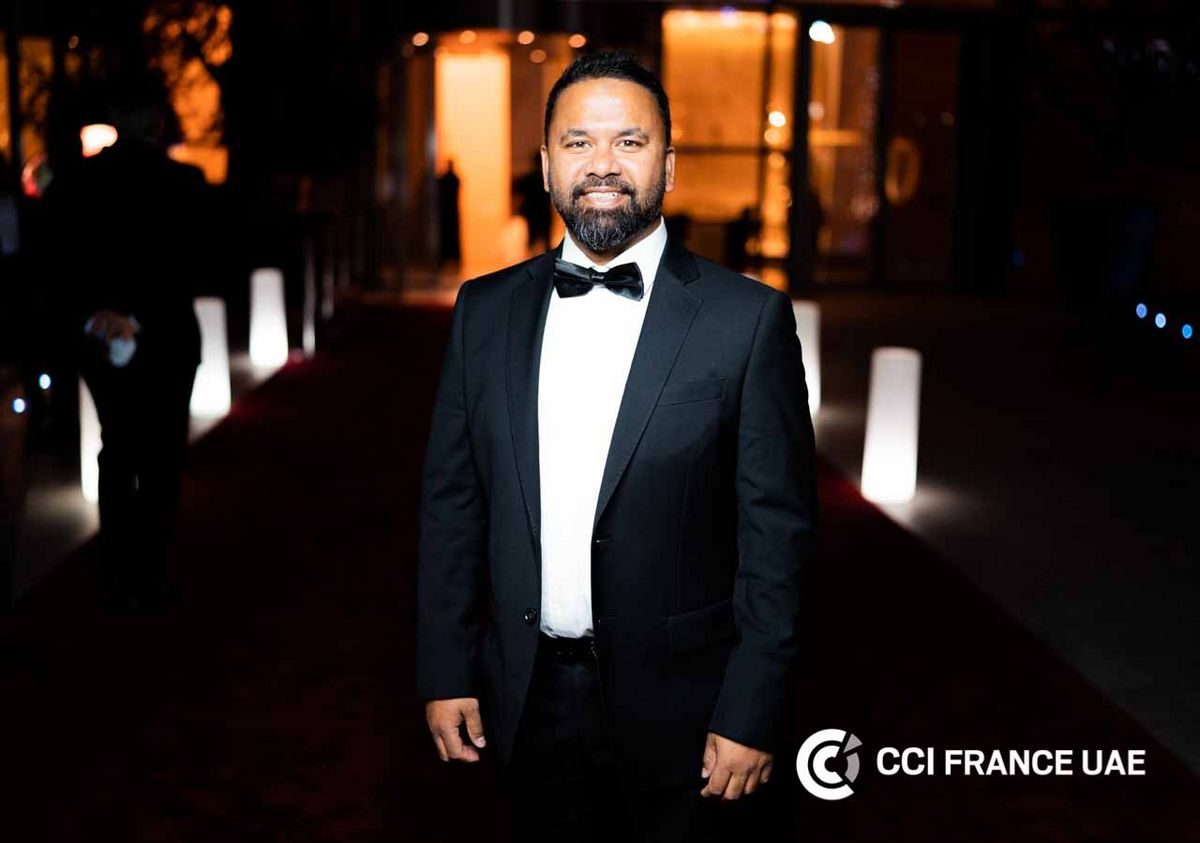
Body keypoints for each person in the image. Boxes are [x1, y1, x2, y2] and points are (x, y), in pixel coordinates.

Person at [417, 52, 817, 841]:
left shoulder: (747, 321)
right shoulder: (482, 311)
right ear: (546, 166)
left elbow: (779, 539)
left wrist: (752, 706)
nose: (602, 164)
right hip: (520, 698)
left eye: (629, 142)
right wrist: (444, 666)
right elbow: (452, 509)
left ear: (668, 165)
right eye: (578, 143)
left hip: (688, 710)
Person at [43, 76, 208, 613]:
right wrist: (140, 316)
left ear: (113, 119)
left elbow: (55, 263)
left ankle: (116, 574)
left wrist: (102, 314)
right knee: (161, 458)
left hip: (101, 336)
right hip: (167, 336)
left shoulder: (75, 182)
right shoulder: (184, 182)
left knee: (116, 449)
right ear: (159, 120)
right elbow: (198, 263)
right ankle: (150, 573)